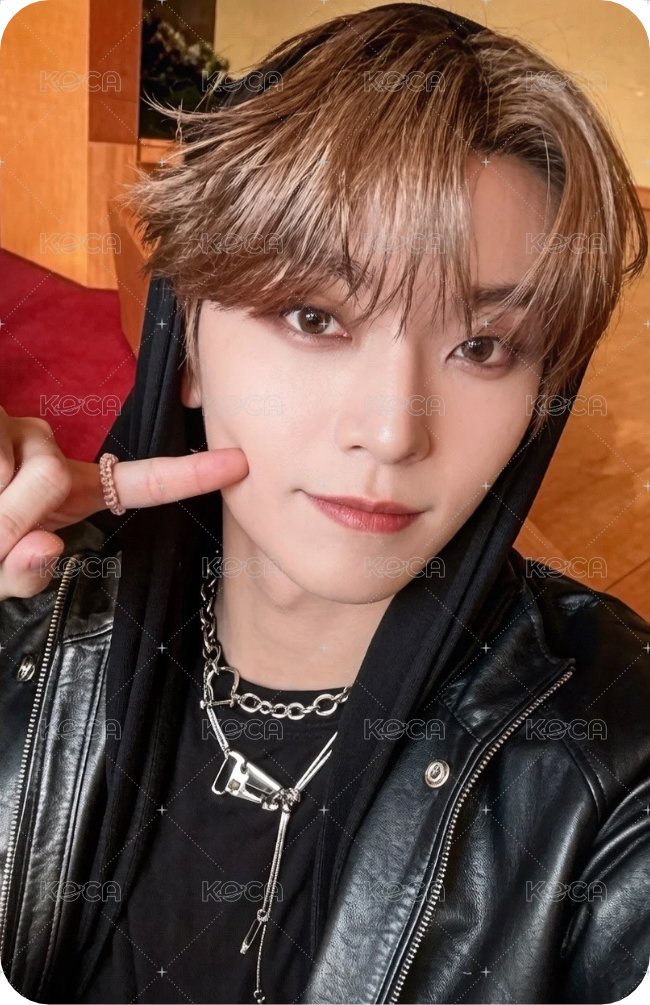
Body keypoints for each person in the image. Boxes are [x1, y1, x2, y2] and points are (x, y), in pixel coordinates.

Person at [1, 3, 649, 1003]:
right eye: (314, 317)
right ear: (187, 343)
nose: (392, 432)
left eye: (482, 347)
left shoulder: (615, 749)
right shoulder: (20, 618)